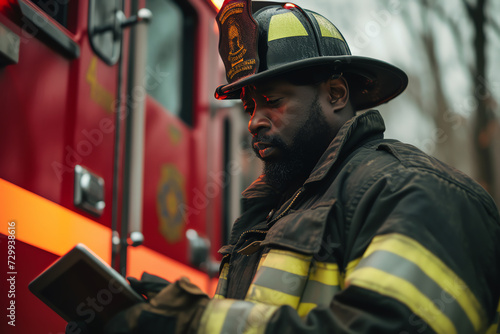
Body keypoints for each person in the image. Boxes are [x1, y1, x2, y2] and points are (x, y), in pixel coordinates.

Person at [69, 1, 500, 333]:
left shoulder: (412, 190)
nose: (253, 119)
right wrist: (162, 313)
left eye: (272, 100)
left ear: (334, 94)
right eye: (250, 105)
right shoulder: (282, 210)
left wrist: (192, 323)